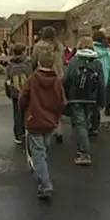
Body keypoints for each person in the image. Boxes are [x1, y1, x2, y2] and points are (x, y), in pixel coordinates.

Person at [19, 48, 66, 199]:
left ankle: (45, 184)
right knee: (44, 149)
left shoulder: (32, 80)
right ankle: (42, 171)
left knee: (38, 153)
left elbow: (23, 99)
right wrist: (56, 117)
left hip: (34, 120)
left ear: (38, 62)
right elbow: (62, 102)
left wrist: (24, 110)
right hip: (50, 122)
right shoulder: (57, 82)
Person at [63, 36, 105, 165]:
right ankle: (82, 147)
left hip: (76, 98)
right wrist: (102, 101)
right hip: (91, 99)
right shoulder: (97, 63)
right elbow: (101, 84)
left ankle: (84, 153)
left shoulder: (74, 62)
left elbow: (66, 80)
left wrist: (66, 97)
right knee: (85, 123)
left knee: (80, 124)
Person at [31, 26, 66, 144]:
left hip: (43, 76)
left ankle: (46, 129)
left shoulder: (37, 46)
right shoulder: (59, 46)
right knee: (56, 104)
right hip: (57, 77)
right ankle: (58, 130)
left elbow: (33, 61)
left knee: (43, 103)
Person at [5, 44, 33, 144]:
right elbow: (31, 76)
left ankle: (18, 134)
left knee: (16, 113)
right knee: (27, 112)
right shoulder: (27, 63)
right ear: (23, 52)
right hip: (26, 91)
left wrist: (9, 92)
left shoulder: (10, 65)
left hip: (15, 92)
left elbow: (7, 79)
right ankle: (27, 132)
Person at [91, 30, 110, 134]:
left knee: (90, 101)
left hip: (92, 79)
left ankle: (89, 124)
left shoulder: (91, 50)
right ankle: (95, 126)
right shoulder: (107, 52)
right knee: (98, 103)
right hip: (103, 80)